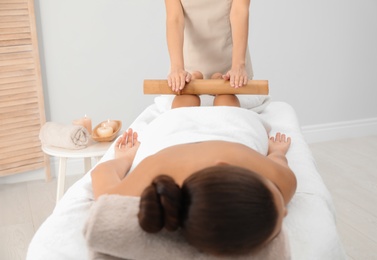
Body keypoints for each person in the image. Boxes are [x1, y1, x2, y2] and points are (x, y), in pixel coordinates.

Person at [91, 127, 297, 256]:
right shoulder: (283, 183)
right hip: (234, 126)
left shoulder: (155, 169)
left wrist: (124, 159)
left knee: (184, 101)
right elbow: (277, 161)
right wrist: (276, 152)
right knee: (226, 100)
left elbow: (101, 176)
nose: (285, 211)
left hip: (172, 128)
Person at [165, 0, 252, 108]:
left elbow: (239, 12)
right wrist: (177, 69)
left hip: (230, 68)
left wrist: (238, 66)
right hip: (187, 69)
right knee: (182, 108)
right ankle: (195, 78)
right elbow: (175, 19)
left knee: (227, 105)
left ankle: (218, 79)